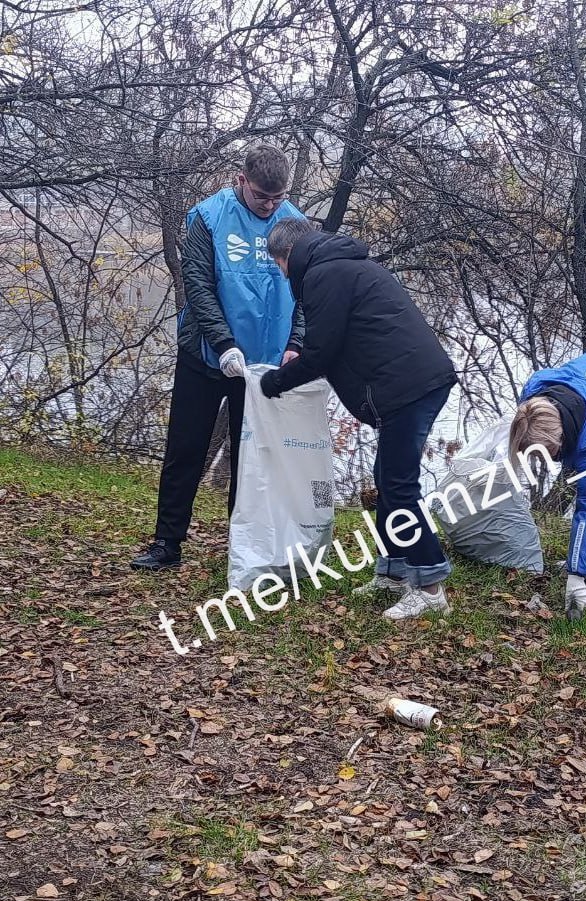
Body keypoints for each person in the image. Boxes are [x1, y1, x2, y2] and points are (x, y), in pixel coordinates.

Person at [259, 217, 458, 621]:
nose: (283, 276)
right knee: (387, 478)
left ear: (287, 256)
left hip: (410, 386)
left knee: (399, 487)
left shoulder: (324, 274)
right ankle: (393, 570)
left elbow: (322, 353)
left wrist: (274, 382)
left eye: (279, 267)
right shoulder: (343, 265)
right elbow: (330, 337)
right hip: (415, 381)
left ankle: (431, 585)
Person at [131, 144, 306, 571]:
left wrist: (296, 344)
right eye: (262, 196)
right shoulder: (206, 218)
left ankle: (242, 548)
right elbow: (199, 287)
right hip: (208, 355)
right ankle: (167, 544)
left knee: (252, 462)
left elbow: (306, 292)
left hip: (264, 365)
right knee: (185, 449)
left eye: (277, 198)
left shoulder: (296, 224)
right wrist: (224, 344)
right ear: (241, 180)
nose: (269, 205)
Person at [509, 349, 586, 619]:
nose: (549, 461)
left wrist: (576, 577)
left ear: (563, 437)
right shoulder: (533, 399)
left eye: (551, 453)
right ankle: (584, 559)